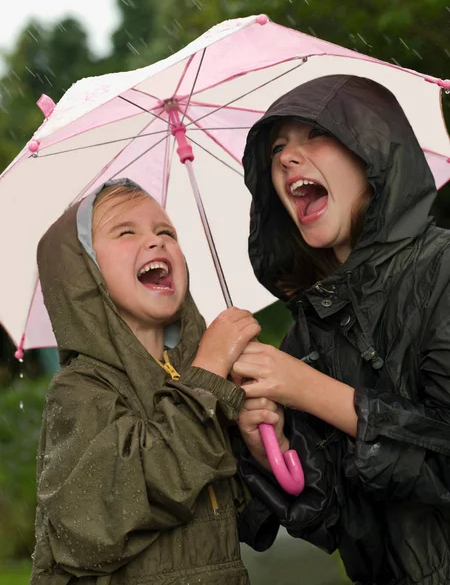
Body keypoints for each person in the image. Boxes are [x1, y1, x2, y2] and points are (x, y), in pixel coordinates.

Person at [234, 75, 450, 585]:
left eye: (314, 135)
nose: (287, 158)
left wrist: (311, 391)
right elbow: (333, 520)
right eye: (278, 149)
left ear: (371, 153)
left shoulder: (443, 269)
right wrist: (273, 441)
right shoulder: (307, 335)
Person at [30, 178, 278, 585]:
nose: (156, 242)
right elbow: (116, 504)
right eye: (126, 232)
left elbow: (243, 521)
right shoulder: (80, 390)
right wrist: (209, 371)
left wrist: (258, 450)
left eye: (166, 232)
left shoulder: (198, 378)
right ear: (84, 273)